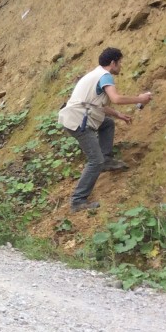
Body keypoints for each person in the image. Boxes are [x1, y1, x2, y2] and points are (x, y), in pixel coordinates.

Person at [58, 48, 152, 213]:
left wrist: (119, 115)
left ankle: (106, 160)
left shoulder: (95, 74)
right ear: (112, 63)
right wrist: (140, 98)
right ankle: (78, 200)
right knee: (95, 160)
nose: (121, 66)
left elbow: (96, 104)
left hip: (77, 116)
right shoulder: (105, 76)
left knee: (107, 123)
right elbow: (116, 98)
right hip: (80, 122)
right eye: (120, 62)